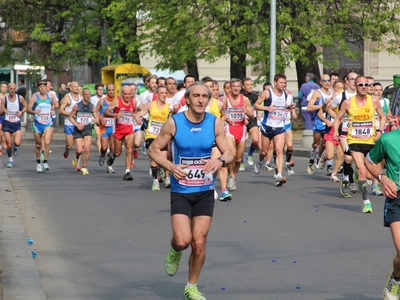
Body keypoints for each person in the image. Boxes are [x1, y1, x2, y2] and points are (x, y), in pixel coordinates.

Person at [147, 82, 233, 300]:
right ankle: (175, 251)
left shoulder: (215, 123)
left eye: (205, 96)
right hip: (181, 190)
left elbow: (229, 152)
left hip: (204, 190)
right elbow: (153, 149)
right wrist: (171, 167)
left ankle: (191, 286)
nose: (201, 100)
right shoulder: (174, 123)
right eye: (196, 96)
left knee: (199, 242)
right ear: (187, 98)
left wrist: (221, 160)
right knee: (183, 240)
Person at [333, 75, 386, 213]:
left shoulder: (374, 101)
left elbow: (382, 116)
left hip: (370, 141)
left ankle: (357, 175)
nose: (364, 87)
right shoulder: (348, 103)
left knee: (369, 175)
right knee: (362, 169)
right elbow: (338, 119)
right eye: (361, 85)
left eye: (366, 85)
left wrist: (380, 130)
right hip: (354, 140)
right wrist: (335, 131)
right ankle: (366, 201)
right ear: (355, 86)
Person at [364, 120, 400, 300]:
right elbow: (369, 160)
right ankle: (396, 279)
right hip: (397, 199)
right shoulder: (388, 140)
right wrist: (382, 178)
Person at [254, 74, 296, 186]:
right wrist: (267, 108)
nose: (283, 85)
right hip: (267, 126)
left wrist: (289, 107)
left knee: (279, 150)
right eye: (281, 82)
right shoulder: (267, 93)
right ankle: (260, 162)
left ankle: (279, 175)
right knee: (264, 151)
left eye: (285, 83)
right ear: (275, 82)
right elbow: (256, 105)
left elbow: (283, 106)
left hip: (279, 127)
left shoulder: (285, 94)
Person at [136, 85, 171, 190]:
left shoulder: (169, 107)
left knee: (164, 158)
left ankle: (166, 177)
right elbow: (139, 114)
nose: (164, 95)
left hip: (162, 136)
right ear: (157, 94)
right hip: (151, 135)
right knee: (155, 158)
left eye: (166, 93)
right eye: (162, 93)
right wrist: (138, 118)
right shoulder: (150, 105)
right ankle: (155, 180)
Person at [104, 85, 140, 180]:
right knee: (117, 153)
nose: (127, 96)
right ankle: (111, 158)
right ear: (122, 94)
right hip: (118, 130)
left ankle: (127, 172)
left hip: (129, 129)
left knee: (129, 150)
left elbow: (134, 112)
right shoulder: (117, 101)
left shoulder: (133, 101)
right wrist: (115, 114)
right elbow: (105, 112)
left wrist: (137, 118)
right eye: (125, 94)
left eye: (129, 94)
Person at [224, 78, 254, 191]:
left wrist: (248, 112)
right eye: (233, 86)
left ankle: (233, 176)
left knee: (238, 158)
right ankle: (231, 177)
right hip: (230, 129)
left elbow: (252, 116)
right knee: (231, 155)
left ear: (241, 87)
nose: (236, 88)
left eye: (238, 86)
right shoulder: (225, 99)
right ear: (230, 88)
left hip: (241, 129)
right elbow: (221, 112)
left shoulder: (245, 100)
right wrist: (226, 118)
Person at [26, 80, 58, 172]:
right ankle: (38, 162)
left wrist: (52, 109)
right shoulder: (35, 97)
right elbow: (28, 109)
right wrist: (34, 111)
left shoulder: (51, 96)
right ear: (38, 88)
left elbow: (56, 104)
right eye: (41, 87)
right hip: (37, 124)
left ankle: (45, 161)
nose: (43, 88)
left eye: (44, 86)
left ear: (47, 87)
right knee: (38, 144)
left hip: (48, 123)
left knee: (47, 142)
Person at [69, 88, 99, 175]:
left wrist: (95, 120)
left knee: (87, 149)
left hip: (87, 129)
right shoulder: (77, 106)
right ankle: (76, 156)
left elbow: (97, 118)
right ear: (82, 95)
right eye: (86, 94)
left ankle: (84, 167)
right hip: (78, 129)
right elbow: (70, 117)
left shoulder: (92, 106)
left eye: (89, 94)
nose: (88, 96)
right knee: (79, 150)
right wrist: (77, 124)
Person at [0, 83, 27, 167]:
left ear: (15, 89)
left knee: (17, 143)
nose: (12, 90)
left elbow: (26, 106)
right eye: (10, 89)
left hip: (16, 124)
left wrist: (21, 112)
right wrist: (3, 111)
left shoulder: (20, 98)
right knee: (9, 144)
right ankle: (10, 159)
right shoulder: (4, 99)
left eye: (13, 89)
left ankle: (16, 147)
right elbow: (0, 112)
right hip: (7, 124)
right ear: (8, 89)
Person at [59, 81, 82, 163]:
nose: (77, 88)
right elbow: (61, 111)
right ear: (71, 88)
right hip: (69, 124)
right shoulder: (67, 98)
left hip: (78, 124)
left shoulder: (81, 98)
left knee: (80, 148)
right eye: (75, 86)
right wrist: (71, 113)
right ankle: (67, 148)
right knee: (70, 145)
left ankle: (77, 161)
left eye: (78, 86)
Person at [96, 84, 116, 173]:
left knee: (112, 147)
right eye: (109, 90)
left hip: (114, 127)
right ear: (106, 91)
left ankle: (109, 165)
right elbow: (94, 111)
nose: (111, 91)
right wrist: (100, 118)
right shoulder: (101, 101)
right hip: (104, 128)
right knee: (104, 147)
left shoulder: (117, 101)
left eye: (113, 90)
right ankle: (103, 155)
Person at [90, 83, 105, 154]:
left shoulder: (106, 98)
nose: (101, 91)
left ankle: (104, 148)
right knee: (99, 135)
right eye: (99, 90)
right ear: (96, 91)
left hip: (105, 120)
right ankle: (100, 153)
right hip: (95, 120)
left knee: (103, 136)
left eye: (102, 90)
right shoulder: (92, 99)